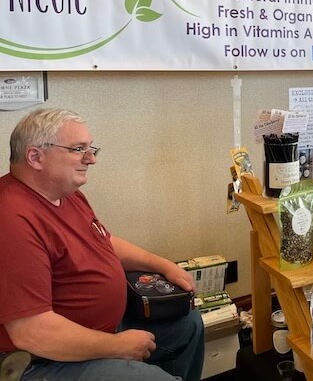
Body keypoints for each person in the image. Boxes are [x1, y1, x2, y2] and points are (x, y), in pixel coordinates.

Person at [0, 108, 204, 381]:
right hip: (44, 359)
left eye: (91, 148)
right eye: (78, 149)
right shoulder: (11, 218)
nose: (91, 159)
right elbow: (32, 331)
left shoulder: (66, 193)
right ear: (35, 156)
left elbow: (103, 241)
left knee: (188, 324)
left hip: (101, 328)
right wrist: (118, 347)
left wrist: (163, 265)